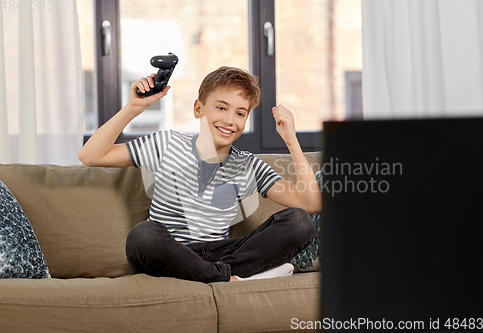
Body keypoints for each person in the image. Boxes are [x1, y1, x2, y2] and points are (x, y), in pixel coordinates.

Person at [79, 66, 321, 283]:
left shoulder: (248, 165)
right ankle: (230, 278)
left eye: (240, 113)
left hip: (220, 253)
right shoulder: (167, 144)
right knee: (143, 235)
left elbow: (309, 204)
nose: (230, 120)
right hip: (170, 252)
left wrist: (291, 140)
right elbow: (90, 156)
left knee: (299, 222)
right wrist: (134, 108)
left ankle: (218, 275)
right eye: (221, 108)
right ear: (198, 108)